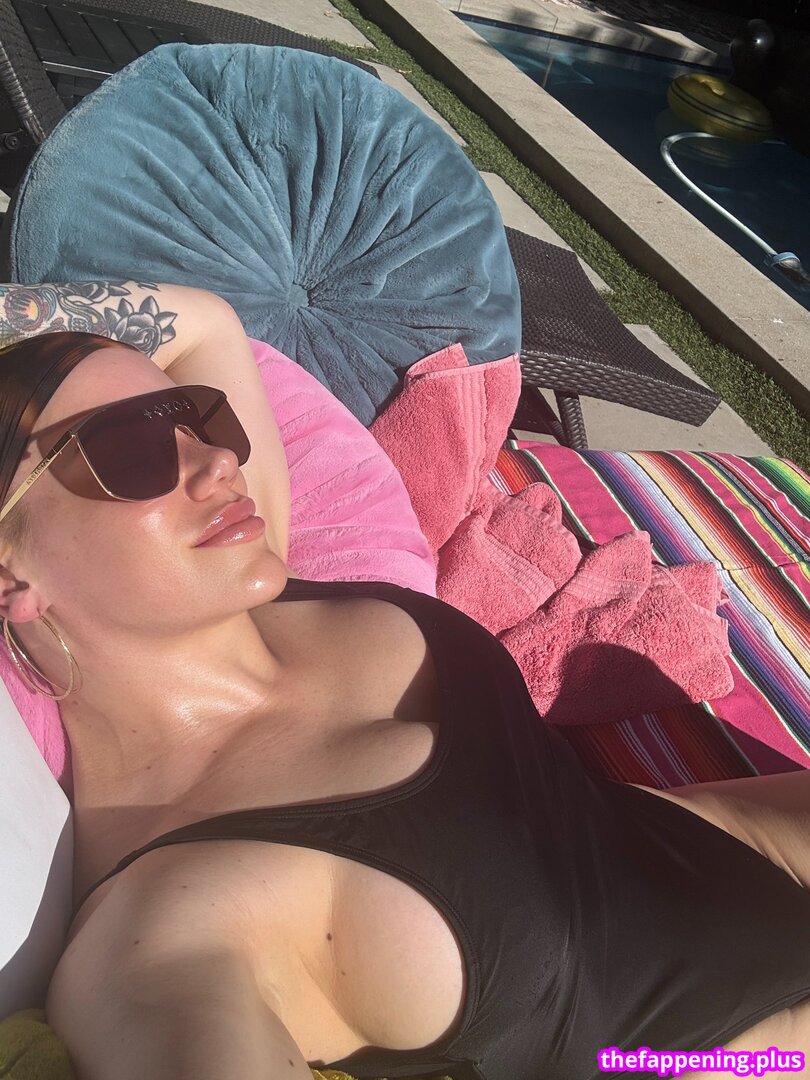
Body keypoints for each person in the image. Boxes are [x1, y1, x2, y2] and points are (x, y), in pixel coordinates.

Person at [0, 280, 808, 1080]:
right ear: (10, 572)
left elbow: (206, 324)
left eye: (192, 417)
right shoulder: (173, 924)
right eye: (127, 450)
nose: (216, 460)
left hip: (731, 843)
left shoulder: (252, 572)